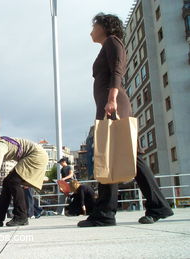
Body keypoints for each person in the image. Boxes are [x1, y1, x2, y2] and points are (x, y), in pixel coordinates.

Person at [78, 13, 173, 227]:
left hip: (114, 104)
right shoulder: (106, 46)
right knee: (129, 156)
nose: (91, 30)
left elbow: (117, 71)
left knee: (108, 153)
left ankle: (105, 212)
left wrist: (111, 100)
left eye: (94, 25)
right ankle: (159, 206)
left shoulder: (113, 42)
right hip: (109, 104)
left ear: (105, 26)